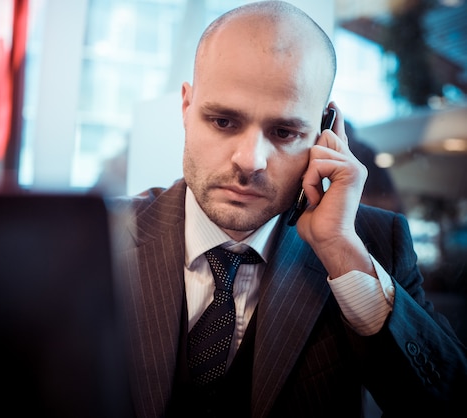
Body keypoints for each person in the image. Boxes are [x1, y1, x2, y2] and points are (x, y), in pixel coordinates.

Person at [109, 1, 467, 417]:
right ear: (187, 109)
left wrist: (341, 253)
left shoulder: (370, 247)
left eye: (284, 131)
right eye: (223, 121)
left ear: (326, 131)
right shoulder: (96, 237)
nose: (250, 159)